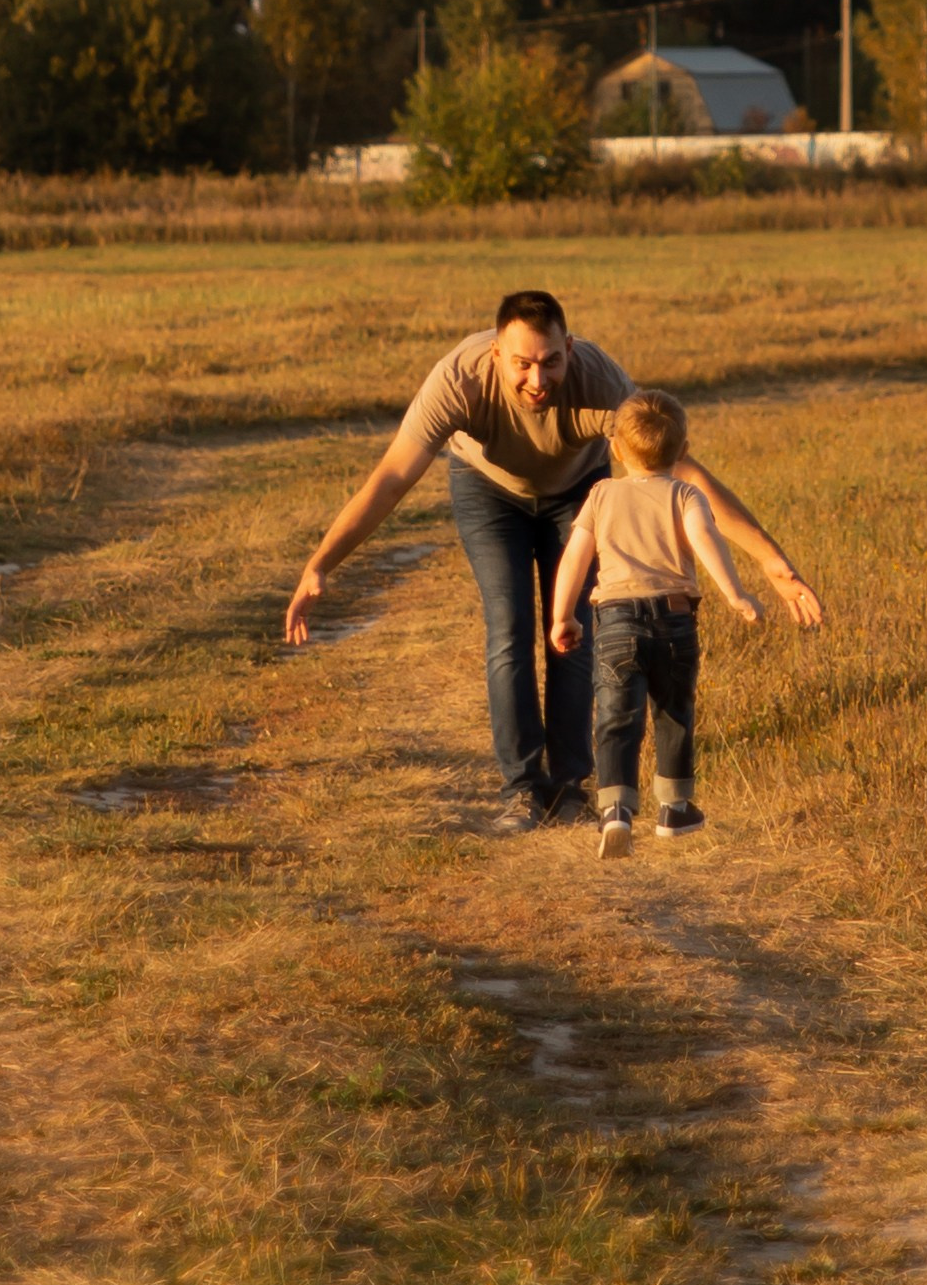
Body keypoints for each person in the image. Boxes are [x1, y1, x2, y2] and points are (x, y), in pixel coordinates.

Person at [282, 287, 820, 828]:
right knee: (509, 626)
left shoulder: (602, 383)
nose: (537, 381)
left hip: (579, 490)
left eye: (551, 362)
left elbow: (684, 474)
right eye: (522, 365)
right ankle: (521, 787)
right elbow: (391, 479)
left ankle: (570, 787)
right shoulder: (458, 381)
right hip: (488, 490)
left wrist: (773, 564)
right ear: (496, 354)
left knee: (578, 626)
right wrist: (322, 563)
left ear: (570, 346)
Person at [548, 386, 759, 859]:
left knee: (616, 719)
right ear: (683, 452)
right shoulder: (686, 493)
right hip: (675, 620)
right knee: (674, 712)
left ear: (615, 449)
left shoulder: (602, 494)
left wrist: (563, 616)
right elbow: (707, 541)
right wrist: (736, 594)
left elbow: (575, 559)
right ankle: (674, 808)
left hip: (616, 620)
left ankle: (615, 811)